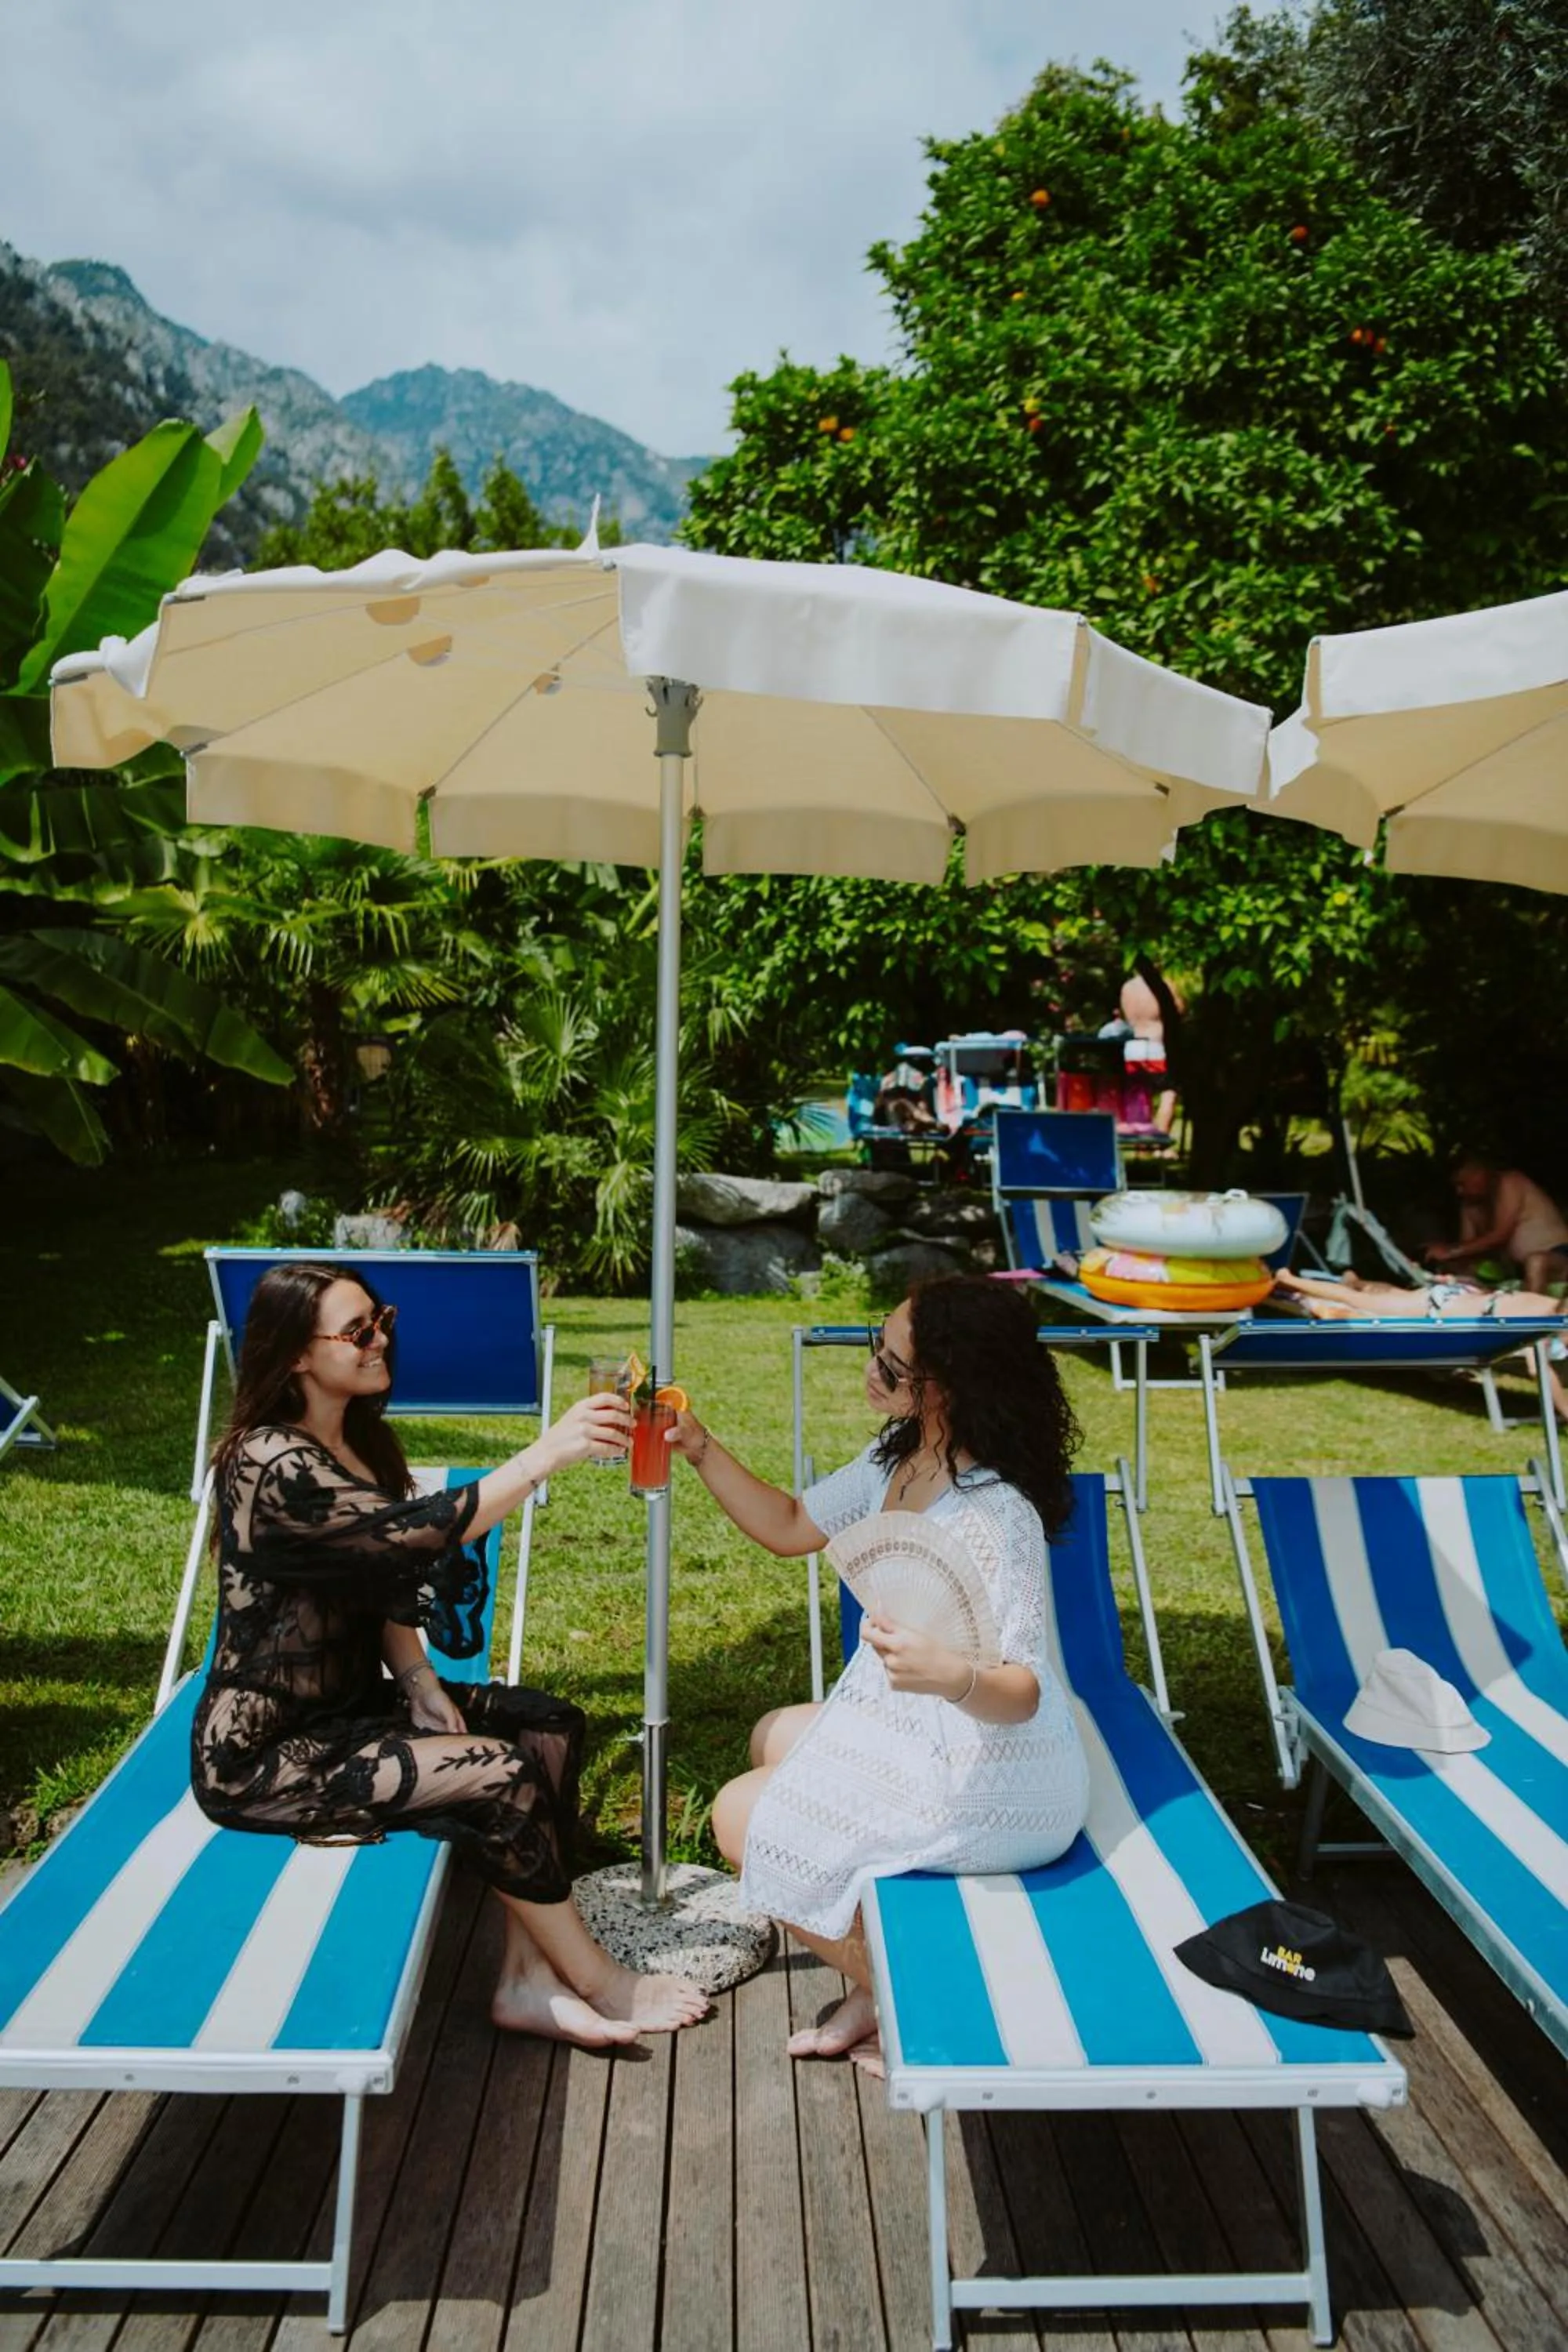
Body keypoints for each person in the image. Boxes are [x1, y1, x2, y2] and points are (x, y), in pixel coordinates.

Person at [191, 1261, 709, 2051]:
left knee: (546, 1725)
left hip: (355, 1707)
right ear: (297, 1354)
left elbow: (383, 1581)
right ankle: (604, 1983)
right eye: (356, 1331)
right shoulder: (270, 1463)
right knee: (497, 1772)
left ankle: (524, 1982)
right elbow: (417, 1533)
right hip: (267, 1752)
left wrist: (420, 1680)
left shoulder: (359, 1442)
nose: (379, 1340)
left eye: (382, 1319)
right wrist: (544, 1455)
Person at [666, 1276, 1089, 2070]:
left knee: (738, 1815)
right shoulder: (897, 1456)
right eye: (877, 1346)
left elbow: (1021, 1693)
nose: (873, 1371)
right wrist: (696, 1445)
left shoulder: (996, 1514)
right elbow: (790, 1526)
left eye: (894, 1367)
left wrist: (949, 1674)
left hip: (996, 1772)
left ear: (951, 1387)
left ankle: (911, 2010)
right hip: (923, 1724)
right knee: (770, 1737)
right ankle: (871, 1972)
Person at [1427, 1156, 1568, 1296]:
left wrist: (1449, 1251)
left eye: (1462, 1184)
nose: (1459, 1192)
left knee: (1536, 1262)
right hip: (1516, 1268)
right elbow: (1468, 1249)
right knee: (1465, 1272)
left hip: (1559, 1258)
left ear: (1479, 1174)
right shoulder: (1471, 1205)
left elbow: (1500, 1235)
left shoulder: (1511, 1181)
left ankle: (1533, 1316)